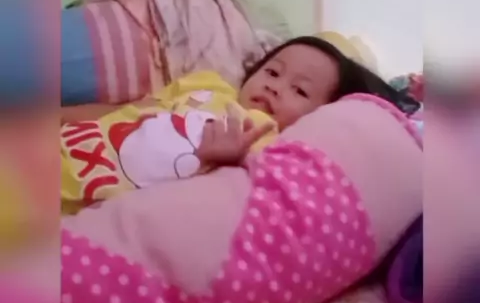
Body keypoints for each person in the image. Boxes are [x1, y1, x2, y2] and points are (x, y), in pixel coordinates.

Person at [61, 36, 415, 212]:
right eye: (272, 72)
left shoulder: (269, 143)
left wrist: (221, 162)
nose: (275, 86)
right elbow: (127, 110)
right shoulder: (207, 84)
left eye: (299, 90)